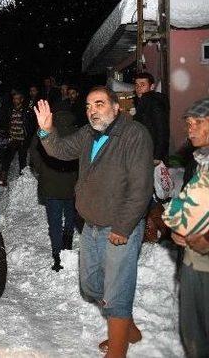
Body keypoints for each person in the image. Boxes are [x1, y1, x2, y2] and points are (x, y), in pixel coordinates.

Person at [34, 86, 153, 357]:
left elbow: (140, 188)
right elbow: (60, 150)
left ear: (115, 107)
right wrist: (45, 130)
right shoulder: (89, 133)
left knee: (116, 288)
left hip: (120, 226)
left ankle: (118, 346)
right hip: (92, 225)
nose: (92, 111)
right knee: (91, 286)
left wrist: (124, 228)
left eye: (99, 104)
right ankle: (127, 326)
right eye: (88, 106)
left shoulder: (133, 135)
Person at [162, 97, 209, 358]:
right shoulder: (198, 162)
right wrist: (177, 226)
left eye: (197, 123)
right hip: (192, 263)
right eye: (188, 123)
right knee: (193, 337)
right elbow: (179, 205)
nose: (189, 128)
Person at [29, 110, 78, 272]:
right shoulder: (77, 132)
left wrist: (41, 169)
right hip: (72, 182)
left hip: (51, 181)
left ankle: (57, 255)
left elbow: (34, 153)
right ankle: (67, 245)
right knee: (70, 216)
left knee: (55, 222)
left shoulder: (45, 130)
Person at [133, 72, 169, 165]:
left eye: (142, 85)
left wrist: (157, 156)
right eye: (136, 85)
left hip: (151, 153)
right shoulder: (143, 102)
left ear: (152, 86)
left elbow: (162, 129)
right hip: (145, 150)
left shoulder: (153, 102)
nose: (138, 88)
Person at [0, 91, 34, 185]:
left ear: (21, 100)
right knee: (6, 160)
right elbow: (5, 123)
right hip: (12, 139)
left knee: (22, 161)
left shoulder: (27, 111)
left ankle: (23, 180)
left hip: (22, 140)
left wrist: (28, 138)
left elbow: (31, 126)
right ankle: (3, 179)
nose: (15, 100)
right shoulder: (10, 110)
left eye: (17, 98)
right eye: (14, 98)